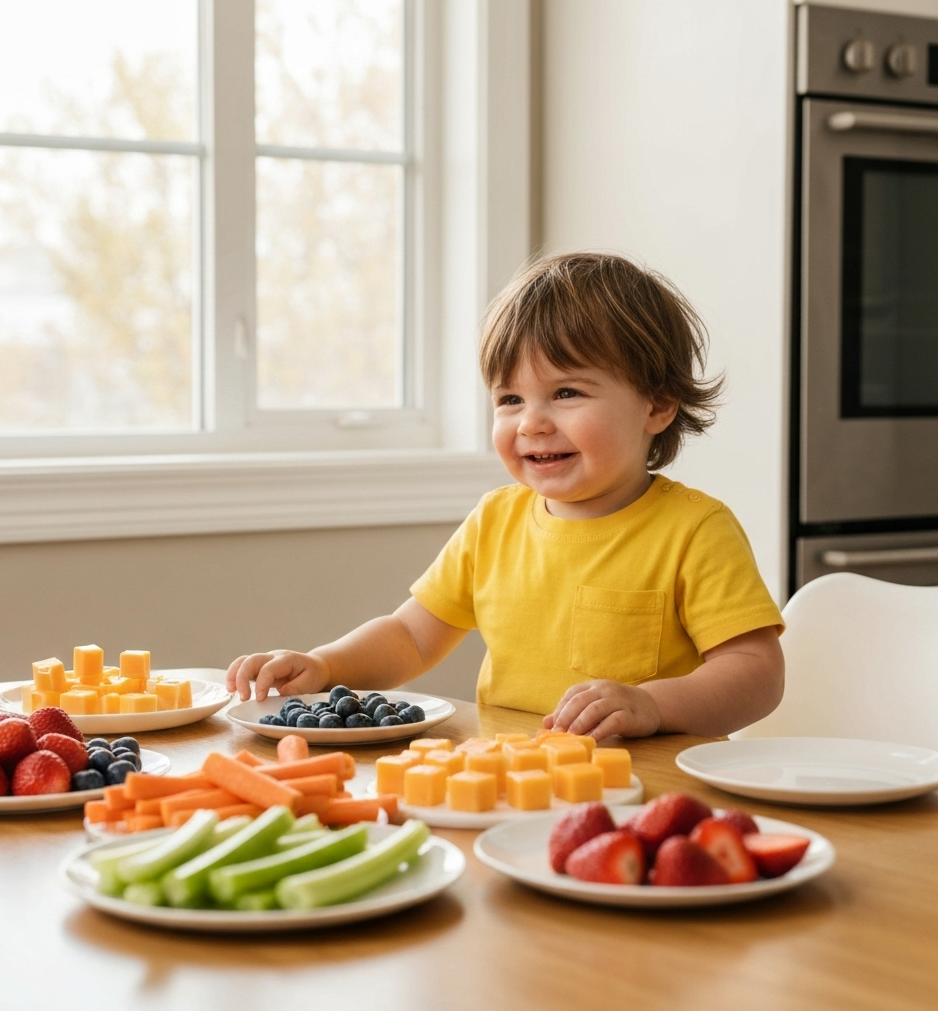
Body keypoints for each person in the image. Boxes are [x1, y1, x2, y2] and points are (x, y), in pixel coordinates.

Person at [227, 253, 784, 741]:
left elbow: (755, 672)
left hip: (645, 791)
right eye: (510, 398)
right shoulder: (496, 519)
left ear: (657, 407)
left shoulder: (696, 529)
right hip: (511, 779)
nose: (531, 423)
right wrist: (325, 666)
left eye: (566, 393)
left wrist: (653, 705)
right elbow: (411, 637)